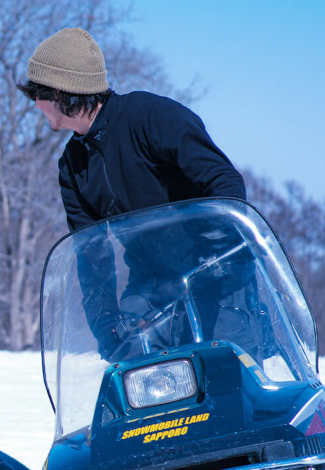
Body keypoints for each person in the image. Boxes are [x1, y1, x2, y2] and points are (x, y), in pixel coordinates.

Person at [18, 27, 249, 359]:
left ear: (60, 92)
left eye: (36, 94)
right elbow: (91, 255)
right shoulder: (72, 166)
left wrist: (215, 257)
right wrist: (106, 326)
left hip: (219, 284)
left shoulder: (153, 118)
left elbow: (225, 184)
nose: (35, 105)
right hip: (151, 289)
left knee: (222, 394)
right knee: (132, 392)